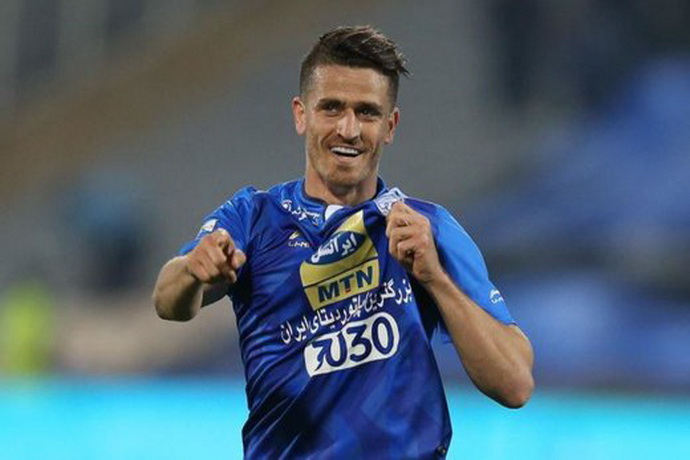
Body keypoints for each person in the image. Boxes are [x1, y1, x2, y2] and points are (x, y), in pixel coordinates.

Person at [153, 25, 534, 458]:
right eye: (331, 108)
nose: (348, 130)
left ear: (390, 126)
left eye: (367, 112)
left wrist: (436, 279)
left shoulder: (425, 229)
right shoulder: (253, 218)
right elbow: (168, 303)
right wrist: (193, 270)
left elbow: (515, 384)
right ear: (301, 115)